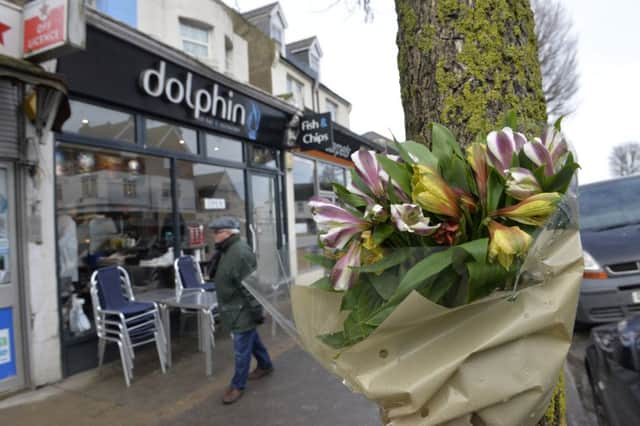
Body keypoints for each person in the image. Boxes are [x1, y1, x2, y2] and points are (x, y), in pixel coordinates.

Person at [208, 216, 274, 405]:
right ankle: (265, 365)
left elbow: (250, 288)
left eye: (217, 233)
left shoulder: (240, 253)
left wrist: (256, 312)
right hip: (233, 308)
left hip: (241, 310)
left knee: (241, 350)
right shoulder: (227, 250)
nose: (214, 237)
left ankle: (237, 385)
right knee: (251, 340)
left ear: (229, 233)